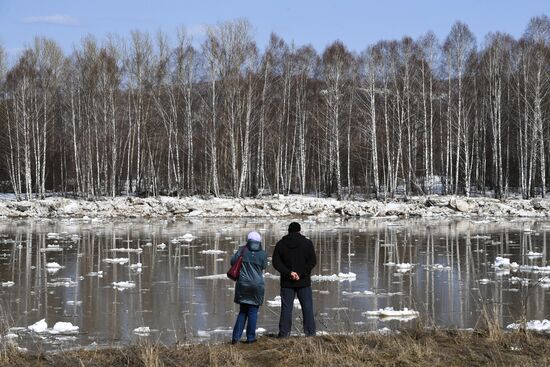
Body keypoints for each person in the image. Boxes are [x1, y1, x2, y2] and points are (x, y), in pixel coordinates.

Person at [272, 222, 317, 337]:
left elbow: (276, 263)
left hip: (287, 282)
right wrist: (300, 274)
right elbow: (312, 262)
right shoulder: (307, 243)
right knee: (307, 308)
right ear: (299, 230)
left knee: (286, 309)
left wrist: (289, 273)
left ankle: (284, 333)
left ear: (288, 230)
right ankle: (310, 333)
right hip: (304, 282)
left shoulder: (281, 244)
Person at [231, 231, 267, 344]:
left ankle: (236, 338)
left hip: (243, 284)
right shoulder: (263, 253)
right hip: (257, 285)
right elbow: (264, 266)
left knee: (242, 312)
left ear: (248, 240)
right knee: (253, 312)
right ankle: (250, 338)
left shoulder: (242, 250)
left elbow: (233, 262)